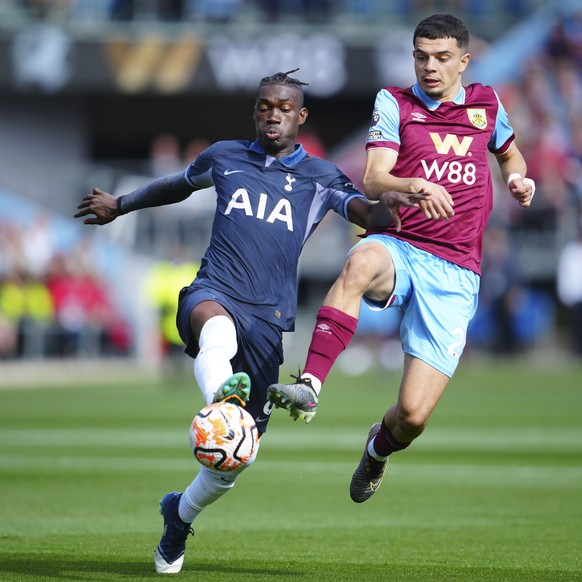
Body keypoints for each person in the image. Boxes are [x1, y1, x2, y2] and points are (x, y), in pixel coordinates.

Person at [74, 69, 425, 573]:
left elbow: (364, 214)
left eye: (284, 107)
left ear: (300, 116)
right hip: (216, 289)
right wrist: (121, 205)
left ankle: (179, 515)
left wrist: (388, 207)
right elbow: (178, 185)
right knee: (213, 327)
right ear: (255, 111)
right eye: (265, 106)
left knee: (235, 459)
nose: (273, 114)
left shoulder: (320, 176)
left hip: (270, 317)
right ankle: (223, 396)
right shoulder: (224, 156)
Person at [268, 15, 536, 503]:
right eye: (420, 56)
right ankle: (309, 383)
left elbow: (510, 155)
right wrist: (412, 185)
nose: (429, 67)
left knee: (412, 417)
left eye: (441, 57)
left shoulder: (486, 103)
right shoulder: (395, 102)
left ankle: (377, 448)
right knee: (359, 262)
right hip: (403, 246)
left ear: (463, 61)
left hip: (457, 270)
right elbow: (373, 178)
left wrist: (520, 178)